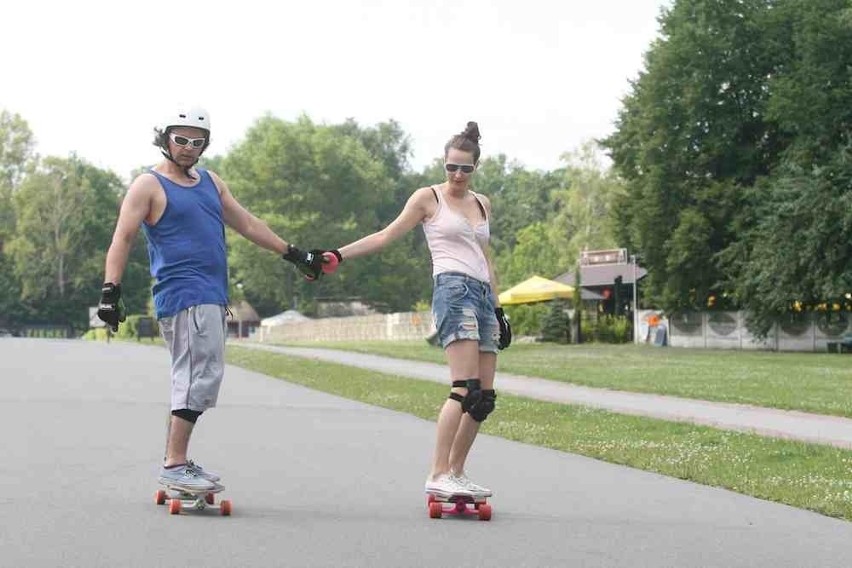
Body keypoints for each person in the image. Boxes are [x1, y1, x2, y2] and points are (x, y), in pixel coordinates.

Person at [96, 107, 325, 491]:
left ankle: (176, 461)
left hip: (212, 293)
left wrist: (295, 253)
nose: (188, 148)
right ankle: (174, 464)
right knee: (196, 376)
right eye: (181, 139)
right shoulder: (147, 185)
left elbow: (248, 223)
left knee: (197, 375)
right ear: (165, 138)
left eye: (196, 142)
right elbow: (123, 238)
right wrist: (110, 291)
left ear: (205, 145)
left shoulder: (210, 182)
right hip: (183, 292)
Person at [321, 121, 511, 498]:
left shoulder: (482, 203)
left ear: (476, 167)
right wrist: (339, 254)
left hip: (483, 297)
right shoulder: (429, 198)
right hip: (453, 290)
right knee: (464, 389)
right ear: (443, 164)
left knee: (484, 398)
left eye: (465, 168)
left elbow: (485, 257)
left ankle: (456, 472)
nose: (457, 175)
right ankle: (438, 472)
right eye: (451, 167)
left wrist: (500, 307)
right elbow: (385, 235)